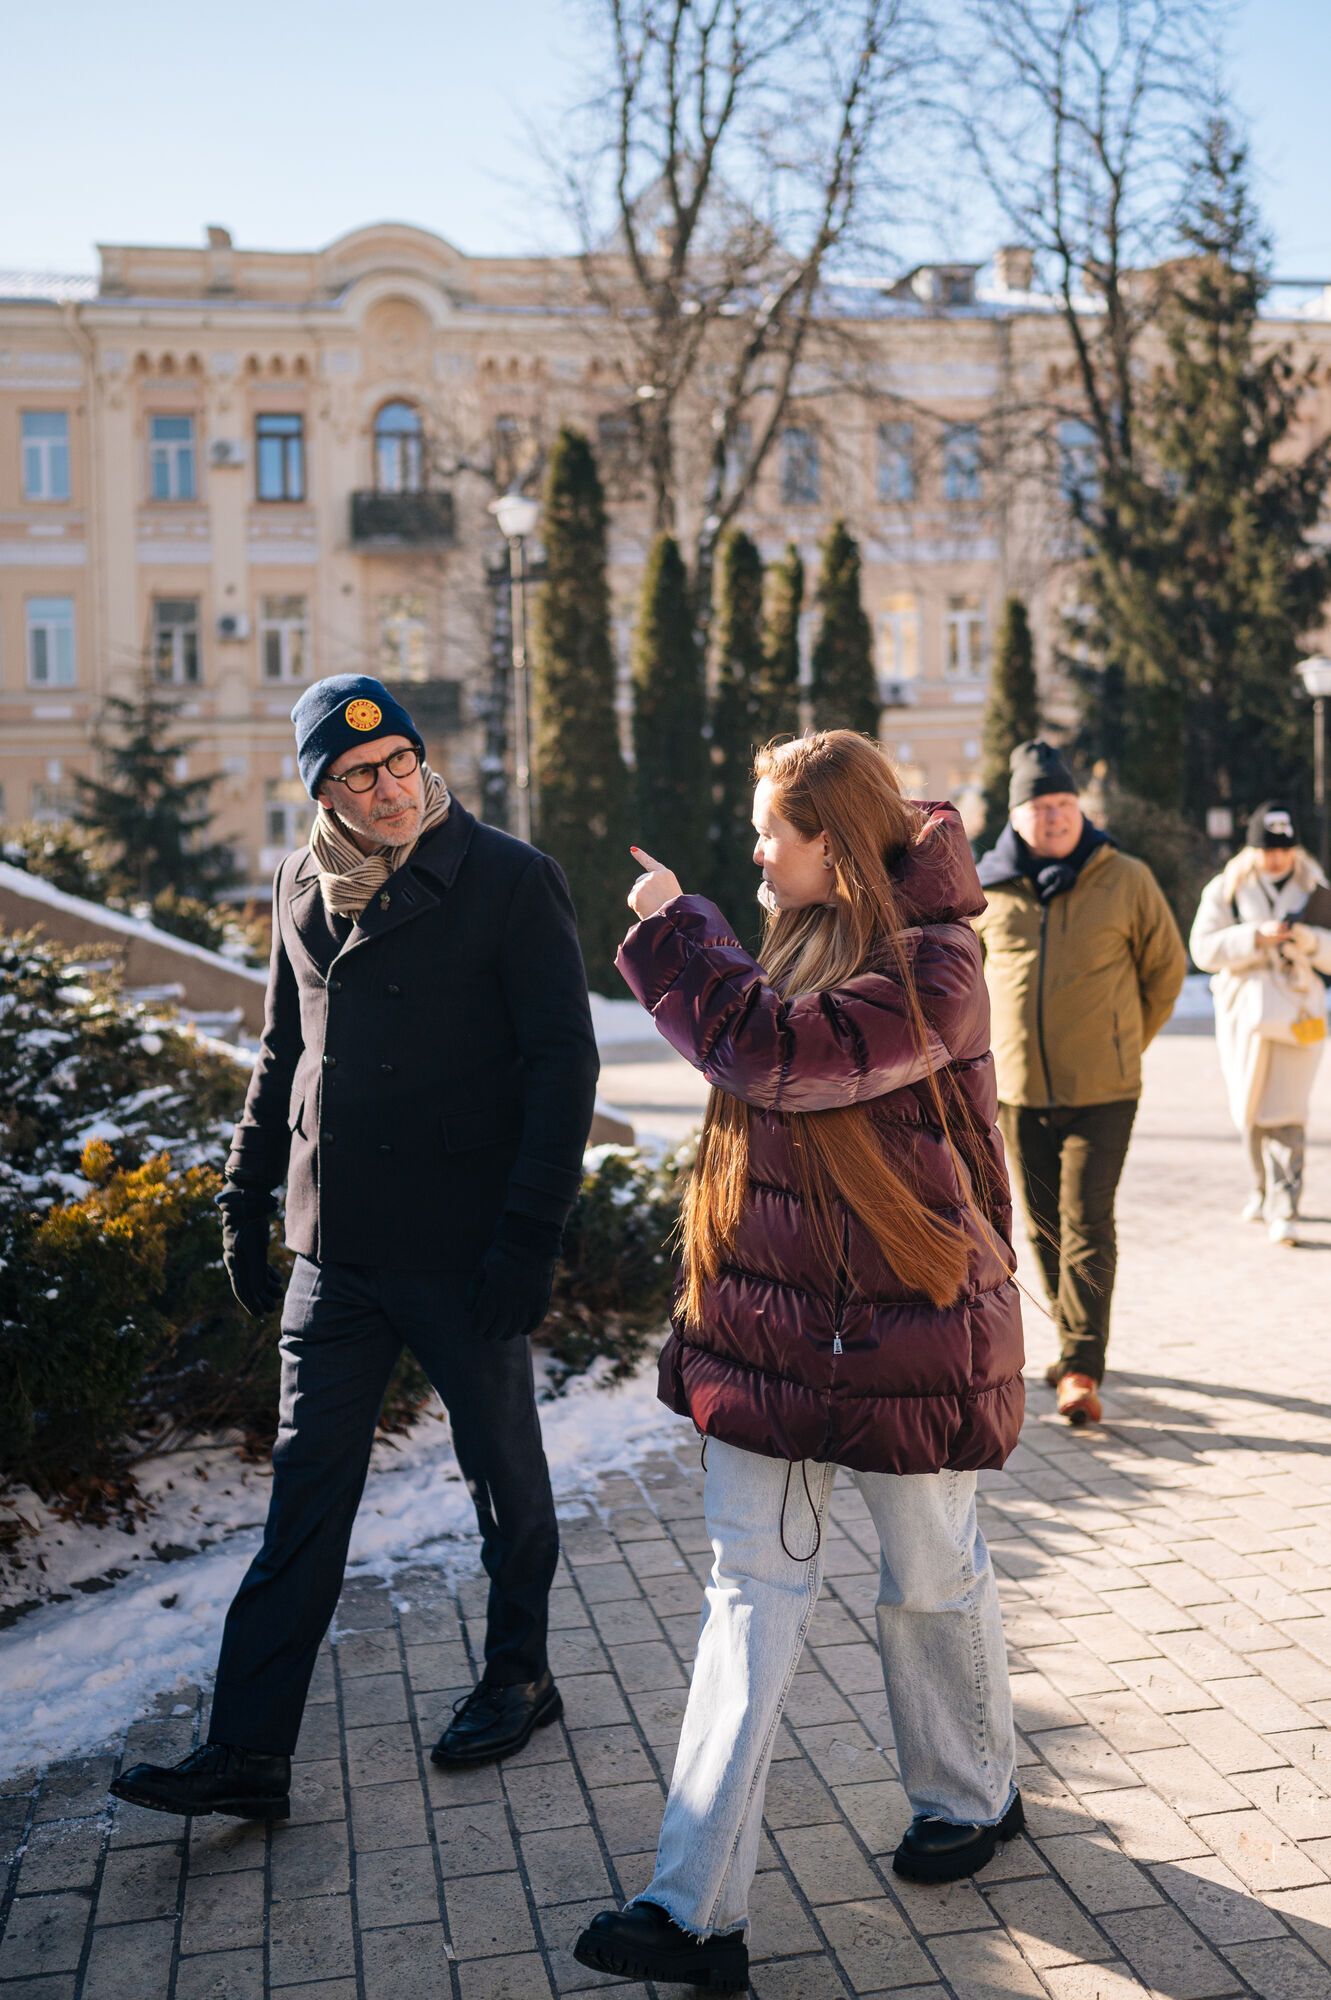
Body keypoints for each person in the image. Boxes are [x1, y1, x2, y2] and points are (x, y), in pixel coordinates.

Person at [573, 731, 1024, 1995]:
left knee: (929, 1573)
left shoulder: (937, 970)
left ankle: (969, 1792)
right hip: (772, 1331)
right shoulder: (800, 938)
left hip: (908, 1332)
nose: (757, 848)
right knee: (745, 1600)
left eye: (774, 830)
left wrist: (675, 925)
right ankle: (689, 1906)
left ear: (836, 837)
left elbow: (778, 1052)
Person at [111, 674, 598, 1823]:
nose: (385, 790)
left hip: (464, 1248)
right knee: (303, 1492)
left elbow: (562, 1068)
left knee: (501, 1478)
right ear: (320, 790)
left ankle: (519, 1673)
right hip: (337, 1249)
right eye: (354, 775)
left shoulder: (509, 879)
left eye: (396, 765)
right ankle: (247, 1748)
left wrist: (531, 1235)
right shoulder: (298, 882)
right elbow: (284, 1050)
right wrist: (242, 1194)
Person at [974, 741, 1186, 1427]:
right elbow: (961, 982)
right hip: (1017, 1092)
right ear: (1016, 816)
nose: (1056, 817)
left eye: (1064, 804)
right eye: (1041, 807)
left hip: (1104, 1090)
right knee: (1040, 1225)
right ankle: (1072, 1345)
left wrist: (1125, 1039)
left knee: (1087, 1220)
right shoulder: (984, 888)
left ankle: (1080, 1365)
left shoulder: (1123, 877)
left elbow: (1166, 969)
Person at [1190, 802, 1331, 1247]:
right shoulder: (1226, 888)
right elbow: (1203, 950)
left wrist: (1306, 940)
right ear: (1252, 850)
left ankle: (1284, 1206)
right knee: (1250, 1108)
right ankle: (1261, 1188)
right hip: (1245, 1015)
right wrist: (1253, 936)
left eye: (1284, 848)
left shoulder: (1315, 888)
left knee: (1287, 1111)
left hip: (1296, 1012)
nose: (1277, 858)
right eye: (1268, 849)